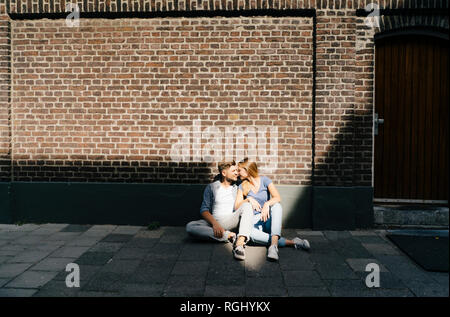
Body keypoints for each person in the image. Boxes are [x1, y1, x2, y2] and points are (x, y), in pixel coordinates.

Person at [235, 158, 311, 261]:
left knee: (277, 206)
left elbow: (277, 197)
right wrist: (249, 199)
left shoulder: (265, 181)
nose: (238, 173)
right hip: (253, 222)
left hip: (266, 219)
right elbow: (237, 206)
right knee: (250, 234)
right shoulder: (242, 186)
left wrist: (267, 203)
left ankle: (273, 247)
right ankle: (292, 242)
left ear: (247, 170)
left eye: (240, 170)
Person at [186, 160, 254, 260]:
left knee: (247, 206)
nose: (237, 173)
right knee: (190, 227)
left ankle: (240, 243)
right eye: (234, 171)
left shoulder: (238, 186)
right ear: (224, 173)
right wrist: (215, 224)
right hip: (213, 222)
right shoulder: (212, 187)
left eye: (237, 170)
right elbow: (204, 210)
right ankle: (229, 236)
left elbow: (253, 180)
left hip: (230, 220)